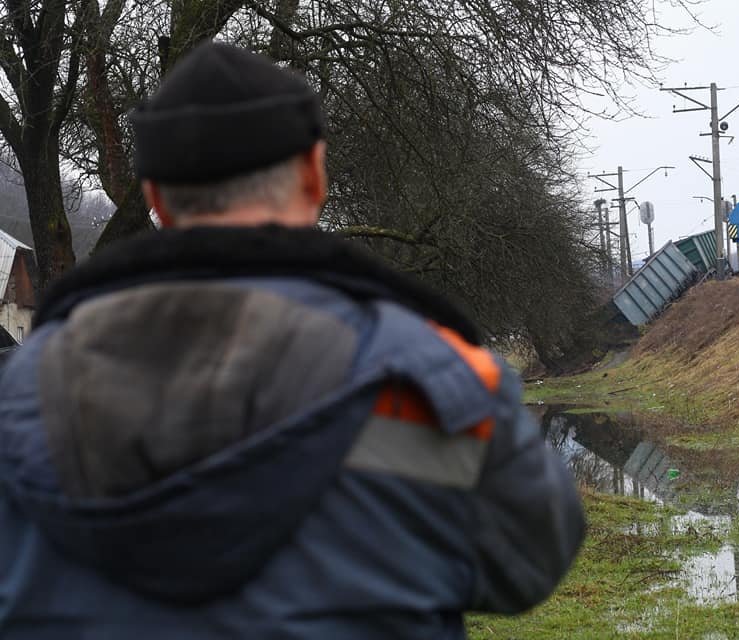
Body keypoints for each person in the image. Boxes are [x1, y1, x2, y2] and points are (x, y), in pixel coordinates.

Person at [0, 42, 584, 639]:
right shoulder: (425, 379)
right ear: (313, 172)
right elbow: (532, 558)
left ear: (154, 197)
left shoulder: (22, 394)